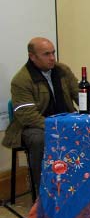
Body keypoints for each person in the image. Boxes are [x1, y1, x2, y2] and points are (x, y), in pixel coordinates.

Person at [2, 37, 78, 192]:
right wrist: (55, 127)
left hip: (64, 118)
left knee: (89, 129)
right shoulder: (21, 80)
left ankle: (78, 184)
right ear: (32, 57)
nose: (52, 58)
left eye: (53, 53)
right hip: (34, 126)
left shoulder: (63, 70)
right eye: (46, 54)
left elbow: (80, 95)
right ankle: (44, 190)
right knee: (40, 139)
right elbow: (28, 116)